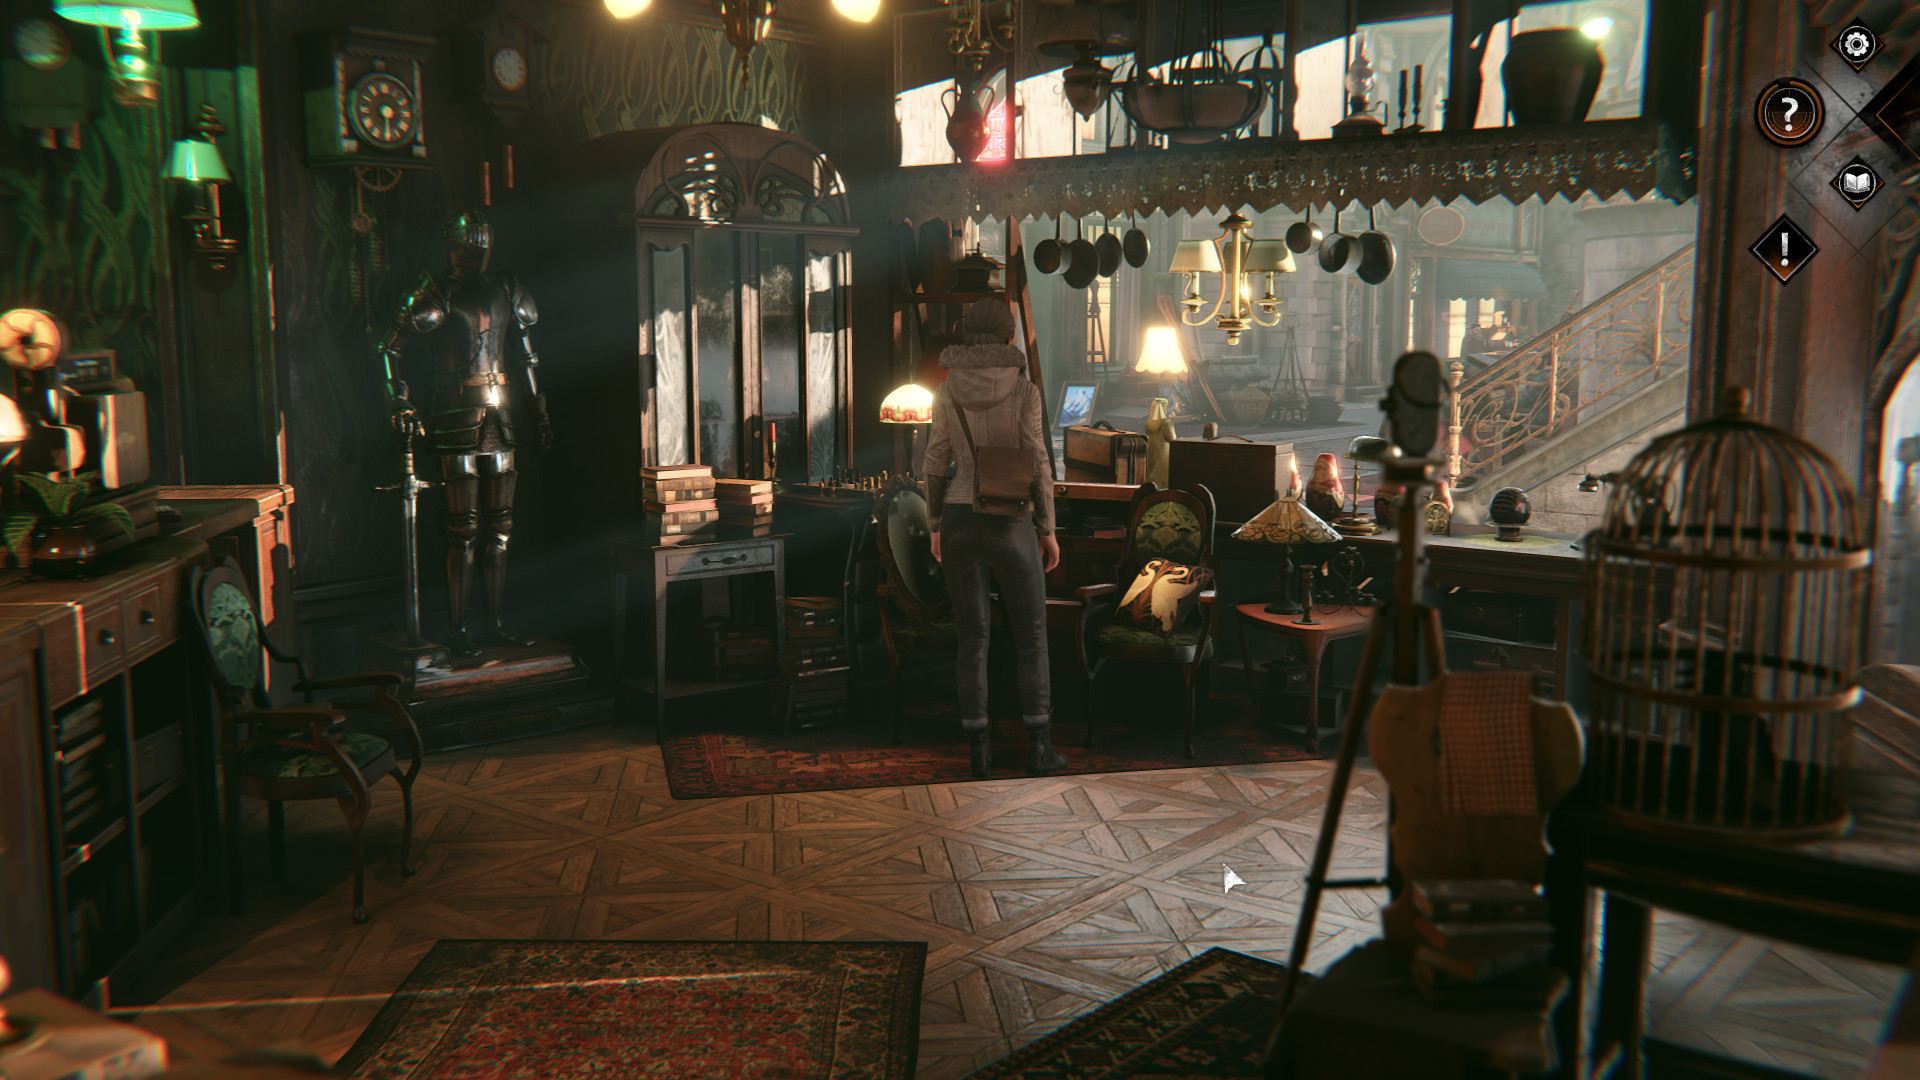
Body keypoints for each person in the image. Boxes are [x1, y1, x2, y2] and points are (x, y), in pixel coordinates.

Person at [378, 210, 553, 660]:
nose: (479, 251)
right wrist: (399, 400)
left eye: (483, 244)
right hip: (454, 415)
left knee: (501, 527)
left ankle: (494, 623)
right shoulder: (436, 290)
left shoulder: (506, 288)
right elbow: (389, 349)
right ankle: (458, 629)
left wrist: (539, 414)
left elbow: (526, 358)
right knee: (463, 530)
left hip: (501, 416)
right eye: (471, 244)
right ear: (454, 246)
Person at [923, 298, 1063, 778]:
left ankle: (979, 753)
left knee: (972, 638)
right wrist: (1047, 529)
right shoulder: (1024, 390)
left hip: (959, 520)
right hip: (1010, 520)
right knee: (1032, 636)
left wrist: (936, 524)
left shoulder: (946, 389)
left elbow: (935, 461)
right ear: (1008, 338)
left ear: (967, 338)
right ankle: (1038, 749)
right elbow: (1038, 462)